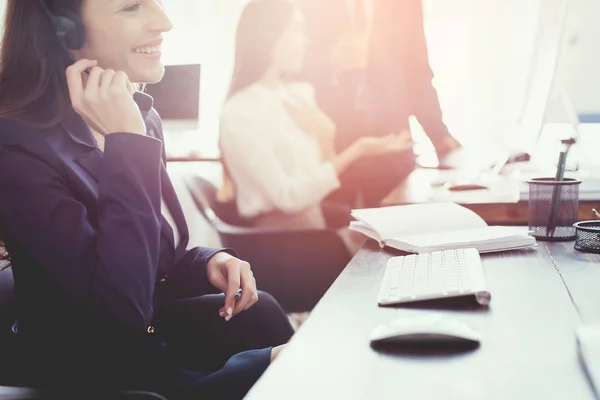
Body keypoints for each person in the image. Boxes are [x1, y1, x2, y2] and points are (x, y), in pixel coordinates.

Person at [0, 1, 293, 399]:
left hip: (146, 337)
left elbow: (147, 260)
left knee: (263, 314)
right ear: (64, 27)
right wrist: (128, 144)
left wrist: (207, 262)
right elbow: (117, 313)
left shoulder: (137, 115)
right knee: (280, 366)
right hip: (94, 371)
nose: (165, 21)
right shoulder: (17, 148)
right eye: (131, 7)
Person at [218, 0, 412, 252]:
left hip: (315, 228)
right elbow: (288, 198)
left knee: (396, 240)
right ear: (270, 35)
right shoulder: (242, 109)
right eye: (297, 29)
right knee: (389, 252)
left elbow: (317, 183)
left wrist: (326, 135)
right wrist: (357, 150)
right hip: (285, 245)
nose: (306, 41)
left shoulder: (294, 96)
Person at [296, 0, 462, 207]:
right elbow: (292, 64)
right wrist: (333, 62)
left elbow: (416, 72)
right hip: (333, 142)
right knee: (337, 223)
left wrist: (439, 134)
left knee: (396, 222)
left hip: (391, 138)